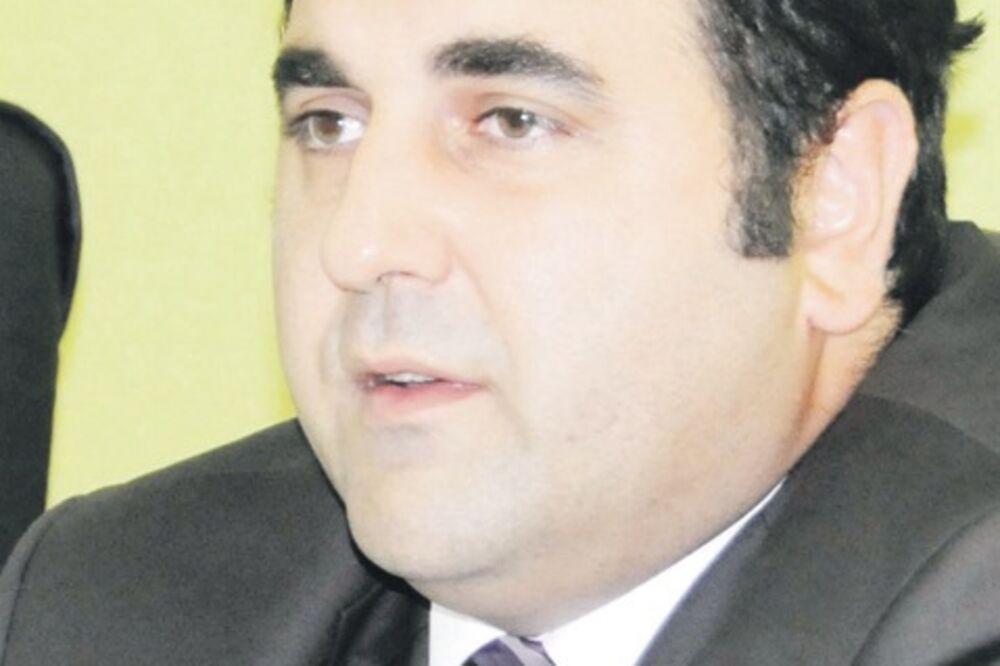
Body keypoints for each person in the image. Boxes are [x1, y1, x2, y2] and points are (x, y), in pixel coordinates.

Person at [2, 0, 999, 663]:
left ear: (834, 197)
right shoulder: (107, 604)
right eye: (328, 122)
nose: (358, 243)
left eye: (511, 121)